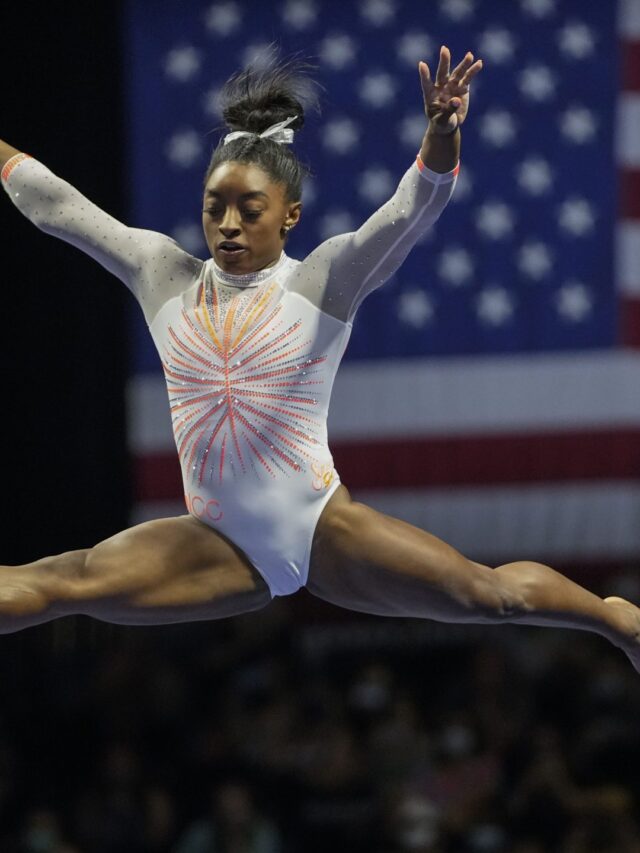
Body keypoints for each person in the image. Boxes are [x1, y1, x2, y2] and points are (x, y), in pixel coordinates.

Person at [1, 47, 639, 674]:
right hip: (213, 542)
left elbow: (408, 213)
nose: (227, 225)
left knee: (489, 597)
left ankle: (617, 619)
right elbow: (54, 203)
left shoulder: (320, 282)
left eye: (250, 211)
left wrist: (441, 133)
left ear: (289, 216)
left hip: (320, 527)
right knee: (58, 585)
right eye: (213, 206)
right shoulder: (162, 273)